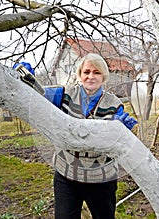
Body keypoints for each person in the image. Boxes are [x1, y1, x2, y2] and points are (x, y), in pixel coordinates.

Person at [14, 53, 137, 219]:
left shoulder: (114, 104)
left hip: (101, 179)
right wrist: (27, 80)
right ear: (80, 75)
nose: (91, 76)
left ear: (104, 76)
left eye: (96, 72)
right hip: (67, 176)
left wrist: (119, 129)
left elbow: (119, 139)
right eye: (86, 72)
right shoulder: (65, 94)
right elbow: (39, 95)